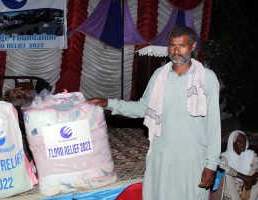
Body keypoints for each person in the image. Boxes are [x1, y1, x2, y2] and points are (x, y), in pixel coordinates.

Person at [88, 25, 221, 200]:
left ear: (193, 46)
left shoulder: (207, 78)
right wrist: (109, 103)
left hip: (192, 157)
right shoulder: (160, 75)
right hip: (162, 153)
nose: (176, 51)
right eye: (172, 45)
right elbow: (143, 108)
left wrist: (211, 164)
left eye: (182, 45)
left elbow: (213, 125)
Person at [220, 130, 258, 200]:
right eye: (240, 141)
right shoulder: (226, 156)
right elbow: (222, 166)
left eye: (244, 141)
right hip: (234, 188)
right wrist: (245, 178)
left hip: (249, 186)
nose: (243, 144)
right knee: (227, 175)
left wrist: (252, 178)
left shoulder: (250, 155)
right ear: (233, 142)